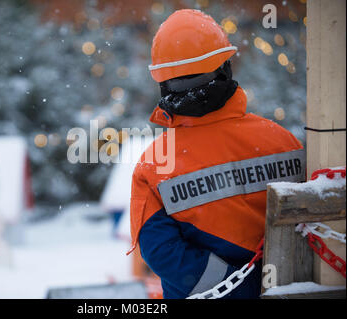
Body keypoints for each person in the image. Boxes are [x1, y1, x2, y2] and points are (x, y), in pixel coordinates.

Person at [128, 9, 304, 299]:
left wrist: (232, 285)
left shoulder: (155, 162)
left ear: (163, 82)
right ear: (225, 68)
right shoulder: (282, 140)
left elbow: (161, 252)